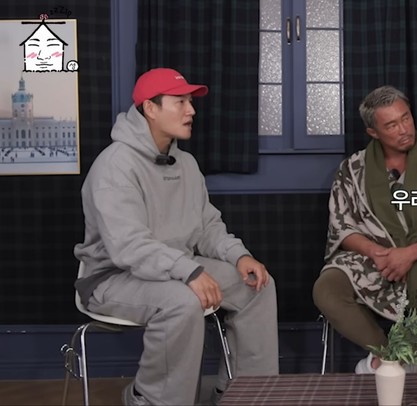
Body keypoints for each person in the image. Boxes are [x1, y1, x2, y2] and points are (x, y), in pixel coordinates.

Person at [73, 68, 279, 406]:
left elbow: (207, 227)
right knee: (183, 302)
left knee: (256, 285)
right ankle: (149, 399)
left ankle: (243, 394)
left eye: (190, 102)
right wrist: (190, 272)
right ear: (150, 108)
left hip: (177, 268)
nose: (191, 110)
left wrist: (239, 256)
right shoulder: (114, 166)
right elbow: (129, 246)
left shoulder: (186, 164)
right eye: (180, 102)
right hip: (113, 277)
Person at [313, 85, 417, 374]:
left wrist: (408, 254)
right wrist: (378, 253)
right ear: (373, 132)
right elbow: (342, 227)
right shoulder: (351, 169)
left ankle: (406, 352)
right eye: (391, 125)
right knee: (326, 289)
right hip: (373, 259)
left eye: (406, 118)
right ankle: (388, 355)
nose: (404, 129)